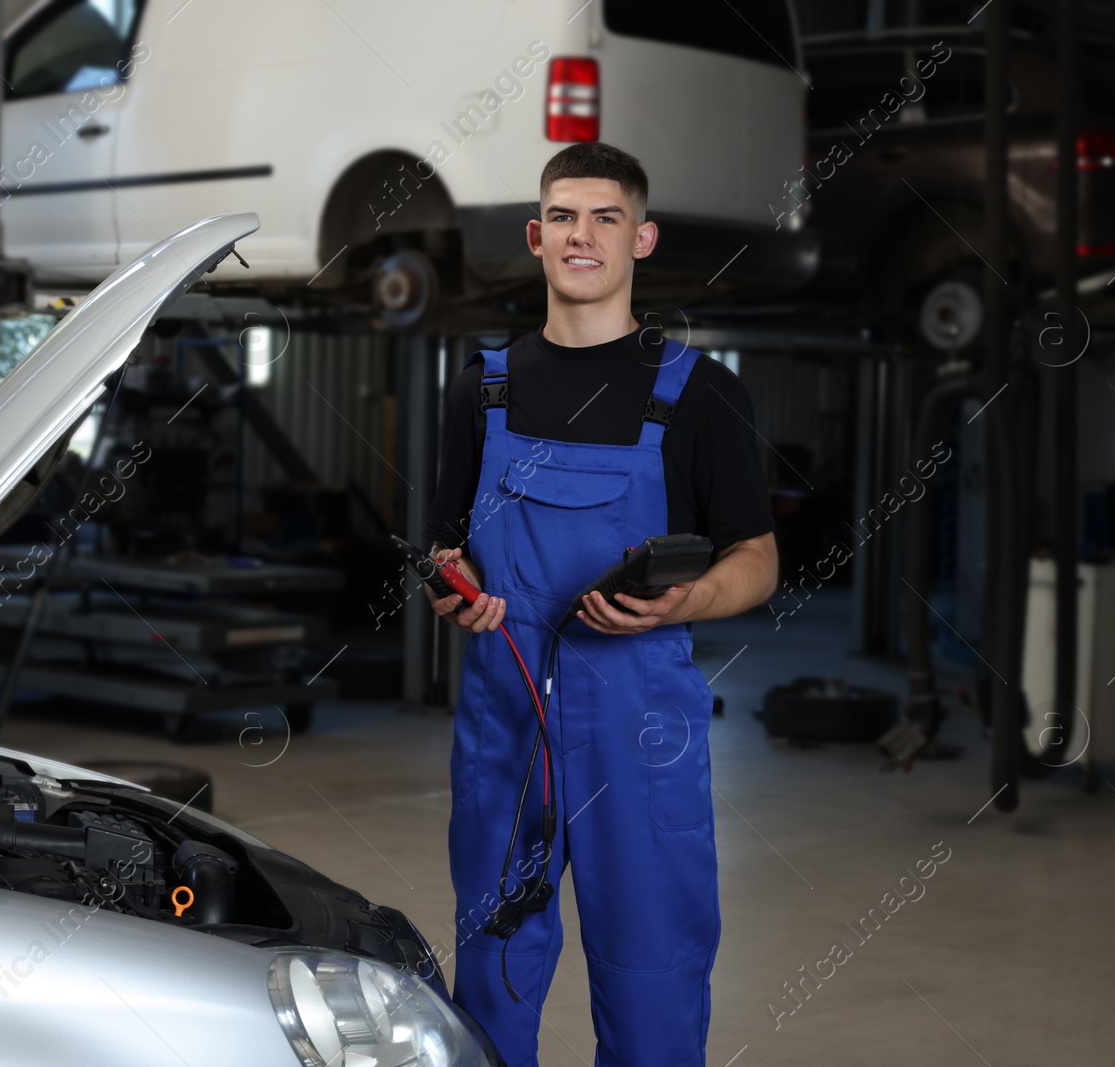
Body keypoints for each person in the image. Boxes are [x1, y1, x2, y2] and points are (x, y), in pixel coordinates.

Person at [421, 142, 779, 1067]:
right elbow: (438, 554)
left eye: (607, 217)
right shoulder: (480, 391)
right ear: (538, 237)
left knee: (653, 967)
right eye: (566, 218)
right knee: (494, 964)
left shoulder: (700, 394)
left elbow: (759, 560)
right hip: (508, 724)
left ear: (641, 238)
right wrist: (448, 592)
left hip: (641, 731)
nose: (585, 235)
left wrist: (688, 598)